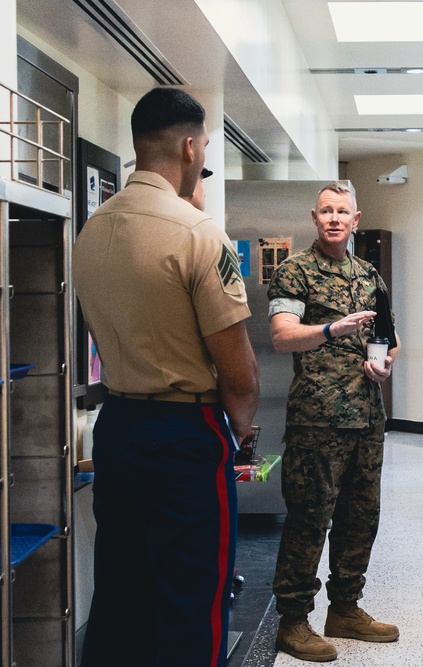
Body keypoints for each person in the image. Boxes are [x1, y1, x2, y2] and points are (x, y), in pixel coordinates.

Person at [73, 87, 259, 667]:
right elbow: (239, 371)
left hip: (118, 427)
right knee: (194, 600)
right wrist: (242, 431)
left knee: (122, 594)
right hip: (186, 433)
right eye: (203, 147)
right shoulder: (198, 233)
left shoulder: (90, 232)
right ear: (188, 146)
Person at [267, 180, 401, 662]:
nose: (334, 219)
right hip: (317, 420)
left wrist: (383, 362)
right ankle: (293, 619)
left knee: (360, 517)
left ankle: (345, 607)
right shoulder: (294, 272)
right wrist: (330, 328)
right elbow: (283, 337)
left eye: (342, 211)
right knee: (309, 519)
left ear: (355, 219)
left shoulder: (369, 277)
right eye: (326, 211)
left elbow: (390, 338)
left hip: (367, 418)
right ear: (314, 217)